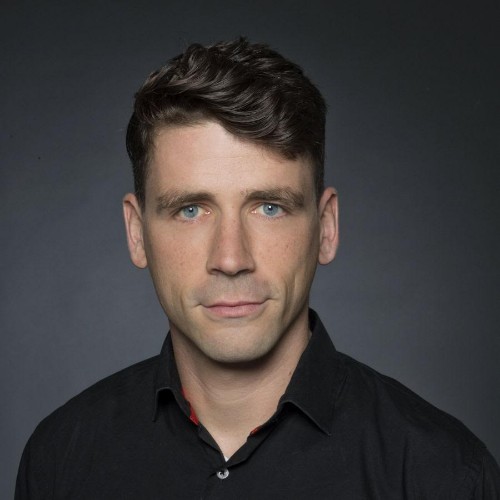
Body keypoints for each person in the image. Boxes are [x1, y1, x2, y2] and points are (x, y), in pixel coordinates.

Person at [16, 38, 499, 499]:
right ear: (137, 233)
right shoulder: (60, 459)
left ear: (326, 228)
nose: (231, 259)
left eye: (270, 207)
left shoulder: (445, 476)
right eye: (190, 210)